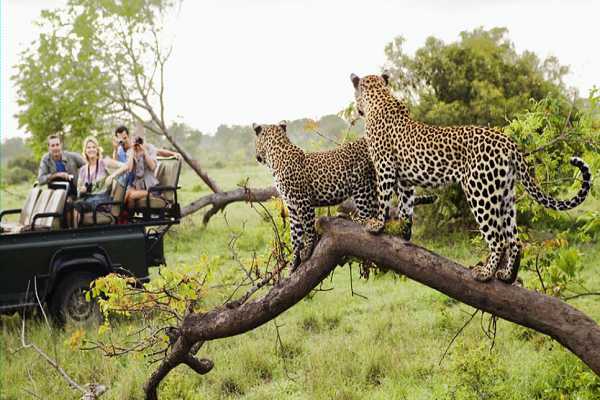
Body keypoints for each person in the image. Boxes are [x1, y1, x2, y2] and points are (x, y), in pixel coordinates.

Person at [73, 136, 127, 227]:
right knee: (71, 205)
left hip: (102, 199)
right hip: (87, 198)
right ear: (85, 150)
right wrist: (82, 190)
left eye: (94, 147)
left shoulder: (104, 163)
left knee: (78, 205)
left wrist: (112, 176)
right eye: (88, 147)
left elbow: (126, 166)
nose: (91, 150)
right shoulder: (82, 170)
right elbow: (79, 190)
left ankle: (75, 234)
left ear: (97, 149)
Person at [124, 134, 160, 210]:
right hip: (138, 187)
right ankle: (127, 219)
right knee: (126, 194)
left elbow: (153, 167)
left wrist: (145, 152)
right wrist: (132, 152)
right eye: (135, 141)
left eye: (140, 141)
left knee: (130, 195)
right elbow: (129, 169)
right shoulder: (130, 152)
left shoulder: (150, 149)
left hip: (151, 188)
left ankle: (121, 217)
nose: (138, 144)